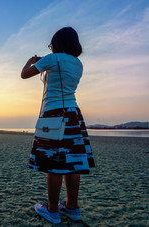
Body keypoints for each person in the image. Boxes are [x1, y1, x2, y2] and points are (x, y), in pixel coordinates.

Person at [21, 27, 95, 224]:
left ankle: (52, 210)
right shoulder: (78, 63)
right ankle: (72, 207)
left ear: (56, 43)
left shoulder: (52, 59)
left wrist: (32, 60)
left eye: (52, 44)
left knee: (53, 164)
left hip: (54, 113)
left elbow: (24, 74)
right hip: (73, 115)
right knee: (73, 162)